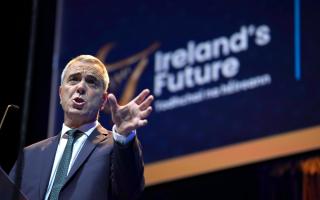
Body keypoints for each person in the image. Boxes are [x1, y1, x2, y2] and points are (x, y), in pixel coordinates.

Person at [9, 55, 154, 200]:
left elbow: (130, 192)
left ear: (103, 100)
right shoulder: (29, 156)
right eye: (74, 79)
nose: (80, 87)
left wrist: (123, 134)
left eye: (91, 82)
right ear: (61, 94)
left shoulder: (116, 147)